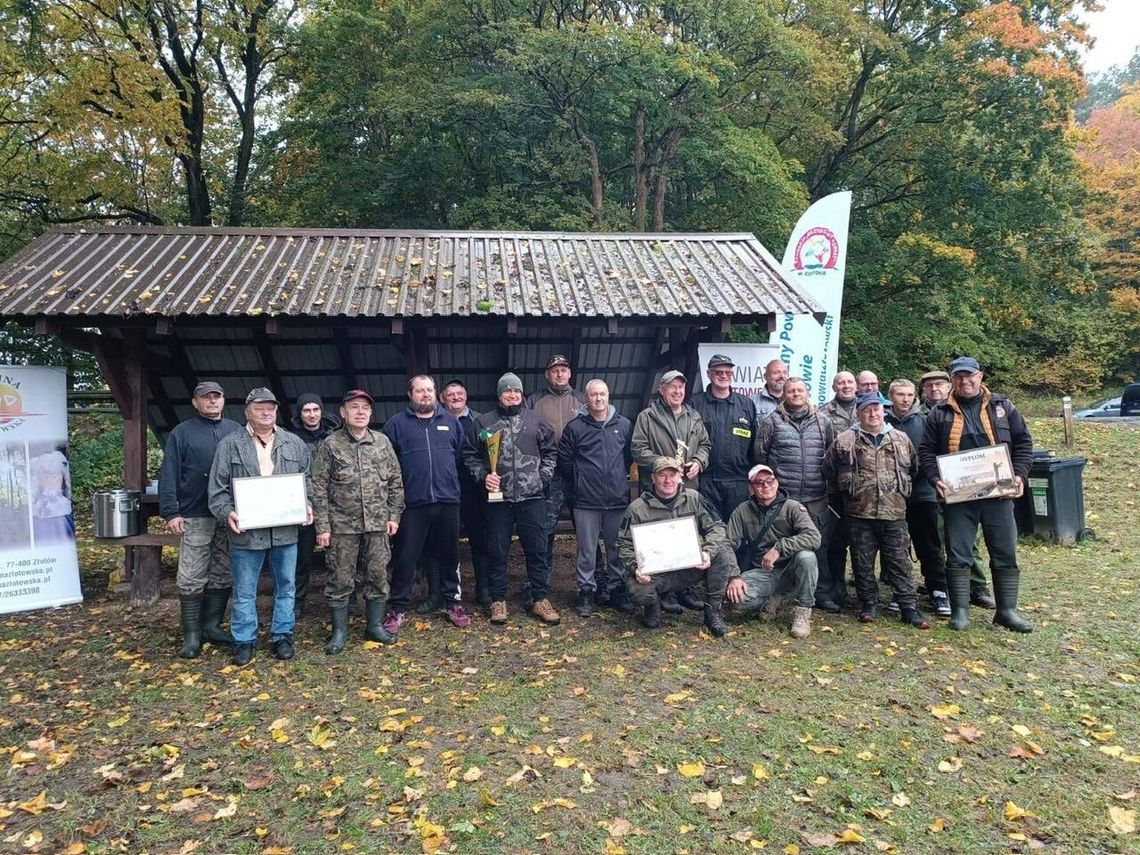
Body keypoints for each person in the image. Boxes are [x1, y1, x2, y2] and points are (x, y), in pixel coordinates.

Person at [918, 357, 1033, 632]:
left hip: (999, 495)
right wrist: (936, 479)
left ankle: (1007, 611)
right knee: (958, 553)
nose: (964, 381)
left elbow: (1024, 443)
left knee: (1005, 551)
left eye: (969, 376)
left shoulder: (1003, 406)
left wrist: (1019, 474)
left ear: (980, 376)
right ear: (952, 380)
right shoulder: (939, 413)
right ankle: (960, 611)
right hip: (959, 498)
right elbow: (926, 452)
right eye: (958, 377)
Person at [208, 387, 312, 665]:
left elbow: (308, 481)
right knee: (244, 589)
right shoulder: (230, 445)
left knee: (287, 586)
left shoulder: (293, 443)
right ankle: (244, 640)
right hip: (246, 533)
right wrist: (226, 512)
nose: (266, 413)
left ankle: (282, 635)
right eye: (259, 408)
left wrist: (308, 504)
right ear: (247, 411)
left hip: (285, 531)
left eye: (271, 408)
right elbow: (217, 490)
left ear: (277, 411)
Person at [311, 389, 405, 654]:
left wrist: (394, 515)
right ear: (343, 412)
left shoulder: (382, 442)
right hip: (342, 526)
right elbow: (318, 487)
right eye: (354, 407)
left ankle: (374, 625)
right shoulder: (330, 445)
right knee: (340, 579)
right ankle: (339, 631)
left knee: (377, 575)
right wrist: (323, 526)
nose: (361, 411)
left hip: (377, 525)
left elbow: (396, 482)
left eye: (365, 407)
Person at [824, 393, 930, 629]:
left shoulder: (901, 439)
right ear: (859, 413)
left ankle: (908, 607)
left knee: (900, 563)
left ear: (884, 411)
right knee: (862, 563)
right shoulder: (844, 440)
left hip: (894, 514)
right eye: (867, 410)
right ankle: (869, 604)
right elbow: (829, 469)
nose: (872, 414)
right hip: (859, 513)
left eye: (876, 409)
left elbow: (914, 468)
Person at [464, 372, 560, 626]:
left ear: (521, 394)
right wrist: (483, 476)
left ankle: (540, 598)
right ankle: (498, 600)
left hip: (533, 497)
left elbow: (551, 452)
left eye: (516, 391)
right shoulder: (484, 423)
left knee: (537, 550)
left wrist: (543, 477)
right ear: (499, 395)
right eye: (507, 392)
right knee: (496, 550)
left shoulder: (536, 421)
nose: (512, 395)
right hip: (498, 499)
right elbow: (470, 455)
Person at [158, 380, 241, 659]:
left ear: (223, 400)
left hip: (230, 513)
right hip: (195, 513)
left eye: (217, 397)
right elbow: (168, 473)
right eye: (206, 398)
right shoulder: (181, 433)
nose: (212, 401)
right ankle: (191, 636)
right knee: (191, 574)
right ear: (195, 402)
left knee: (223, 571)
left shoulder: (236, 431)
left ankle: (212, 625)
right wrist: (171, 511)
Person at [382, 375, 471, 634]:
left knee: (450, 554)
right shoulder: (396, 425)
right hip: (413, 503)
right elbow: (390, 464)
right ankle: (398, 608)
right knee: (406, 557)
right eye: (420, 391)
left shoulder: (451, 423)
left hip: (447, 501)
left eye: (429, 390)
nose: (425, 395)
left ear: (436, 394)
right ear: (410, 395)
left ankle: (453, 603)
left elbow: (458, 457)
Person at [617, 458, 735, 637]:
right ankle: (652, 606)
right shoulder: (637, 509)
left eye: (672, 475)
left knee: (722, 553)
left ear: (680, 477)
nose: (667, 480)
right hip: (656, 573)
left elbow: (717, 527)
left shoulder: (694, 499)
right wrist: (636, 568)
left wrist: (707, 552)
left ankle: (713, 612)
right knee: (639, 590)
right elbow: (623, 545)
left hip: (689, 567)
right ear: (653, 478)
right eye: (662, 475)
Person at [753, 377, 840, 613]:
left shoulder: (823, 421)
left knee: (818, 546)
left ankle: (819, 594)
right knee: (780, 546)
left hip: (816, 496)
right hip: (785, 499)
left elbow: (830, 455)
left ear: (807, 392)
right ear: (784, 394)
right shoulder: (772, 421)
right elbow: (760, 455)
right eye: (791, 391)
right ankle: (779, 592)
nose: (796, 394)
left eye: (800, 390)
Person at [630, 369, 711, 614]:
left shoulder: (693, 416)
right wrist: (666, 465)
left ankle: (684, 588)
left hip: (688, 489)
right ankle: (663, 591)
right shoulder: (647, 417)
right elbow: (637, 448)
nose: (677, 392)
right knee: (661, 540)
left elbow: (706, 445)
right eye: (672, 387)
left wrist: (698, 461)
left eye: (681, 387)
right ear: (661, 390)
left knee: (686, 537)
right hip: (659, 488)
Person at [920, 369, 995, 609]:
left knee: (968, 540)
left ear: (949, 385)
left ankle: (977, 585)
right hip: (934, 485)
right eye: (929, 386)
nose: (934, 389)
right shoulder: (921, 414)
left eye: (939, 385)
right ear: (922, 391)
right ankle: (946, 587)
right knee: (939, 539)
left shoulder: (968, 407)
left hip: (970, 483)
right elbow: (925, 450)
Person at [557, 379, 633, 616]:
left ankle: (616, 589)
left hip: (617, 499)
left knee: (616, 547)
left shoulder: (624, 425)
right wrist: (582, 479)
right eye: (593, 395)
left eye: (602, 394)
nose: (598, 399)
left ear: (609, 396)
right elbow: (565, 461)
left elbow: (628, 457)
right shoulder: (575, 427)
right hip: (586, 501)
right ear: (586, 398)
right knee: (587, 550)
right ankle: (586, 592)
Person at [724, 464, 821, 638]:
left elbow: (814, 537)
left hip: (792, 569)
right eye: (759, 482)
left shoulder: (792, 507)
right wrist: (734, 576)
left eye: (770, 481)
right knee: (735, 599)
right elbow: (727, 545)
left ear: (777, 483)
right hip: (763, 572)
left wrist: (780, 548)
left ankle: (803, 611)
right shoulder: (741, 511)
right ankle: (774, 597)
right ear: (751, 487)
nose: (766, 486)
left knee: (807, 557)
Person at [525, 354, 588, 607]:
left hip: (580, 475)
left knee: (587, 532)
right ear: (547, 375)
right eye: (554, 370)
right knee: (546, 531)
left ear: (570, 373)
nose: (559, 374)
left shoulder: (583, 399)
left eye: (563, 369)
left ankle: (595, 585)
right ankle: (539, 584)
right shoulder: (534, 401)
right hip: (550, 475)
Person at [885, 379, 950, 617]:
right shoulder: (880, 421)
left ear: (915, 397)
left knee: (929, 545)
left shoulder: (926, 420)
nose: (905, 399)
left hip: (923, 493)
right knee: (897, 547)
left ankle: (938, 589)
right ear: (890, 397)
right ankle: (901, 591)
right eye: (900, 394)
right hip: (892, 496)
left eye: (909, 394)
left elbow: (935, 453)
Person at [441, 378, 491, 605]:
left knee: (479, 540)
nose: (456, 397)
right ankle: (448, 593)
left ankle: (484, 589)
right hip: (445, 490)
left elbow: (491, 452)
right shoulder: (434, 420)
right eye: (450, 394)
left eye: (460, 393)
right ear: (443, 398)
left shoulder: (481, 421)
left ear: (466, 396)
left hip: (474, 489)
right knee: (446, 542)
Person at [691, 353, 758, 522]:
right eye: (718, 372)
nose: (723, 376)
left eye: (728, 373)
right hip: (706, 481)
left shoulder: (746, 404)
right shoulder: (695, 404)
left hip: (738, 481)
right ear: (709, 374)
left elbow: (755, 445)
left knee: (738, 532)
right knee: (709, 531)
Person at [289, 393, 340, 617]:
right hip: (304, 506)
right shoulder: (291, 439)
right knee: (302, 558)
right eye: (306, 410)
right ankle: (297, 602)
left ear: (322, 411)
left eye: (315, 409)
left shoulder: (335, 436)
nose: (312, 414)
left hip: (333, 506)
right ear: (300, 414)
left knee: (339, 557)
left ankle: (343, 600)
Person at [820, 371, 858, 598]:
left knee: (862, 540)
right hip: (835, 488)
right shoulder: (824, 413)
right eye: (841, 382)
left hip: (863, 488)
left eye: (849, 382)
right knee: (836, 539)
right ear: (834, 387)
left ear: (856, 385)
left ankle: (863, 586)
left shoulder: (869, 410)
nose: (845, 386)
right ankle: (837, 584)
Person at [30, 450, 75, 545]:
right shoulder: (37, 468)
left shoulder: (61, 466)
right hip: (41, 510)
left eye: (56, 475)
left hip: (60, 508)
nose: (51, 478)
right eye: (46, 475)